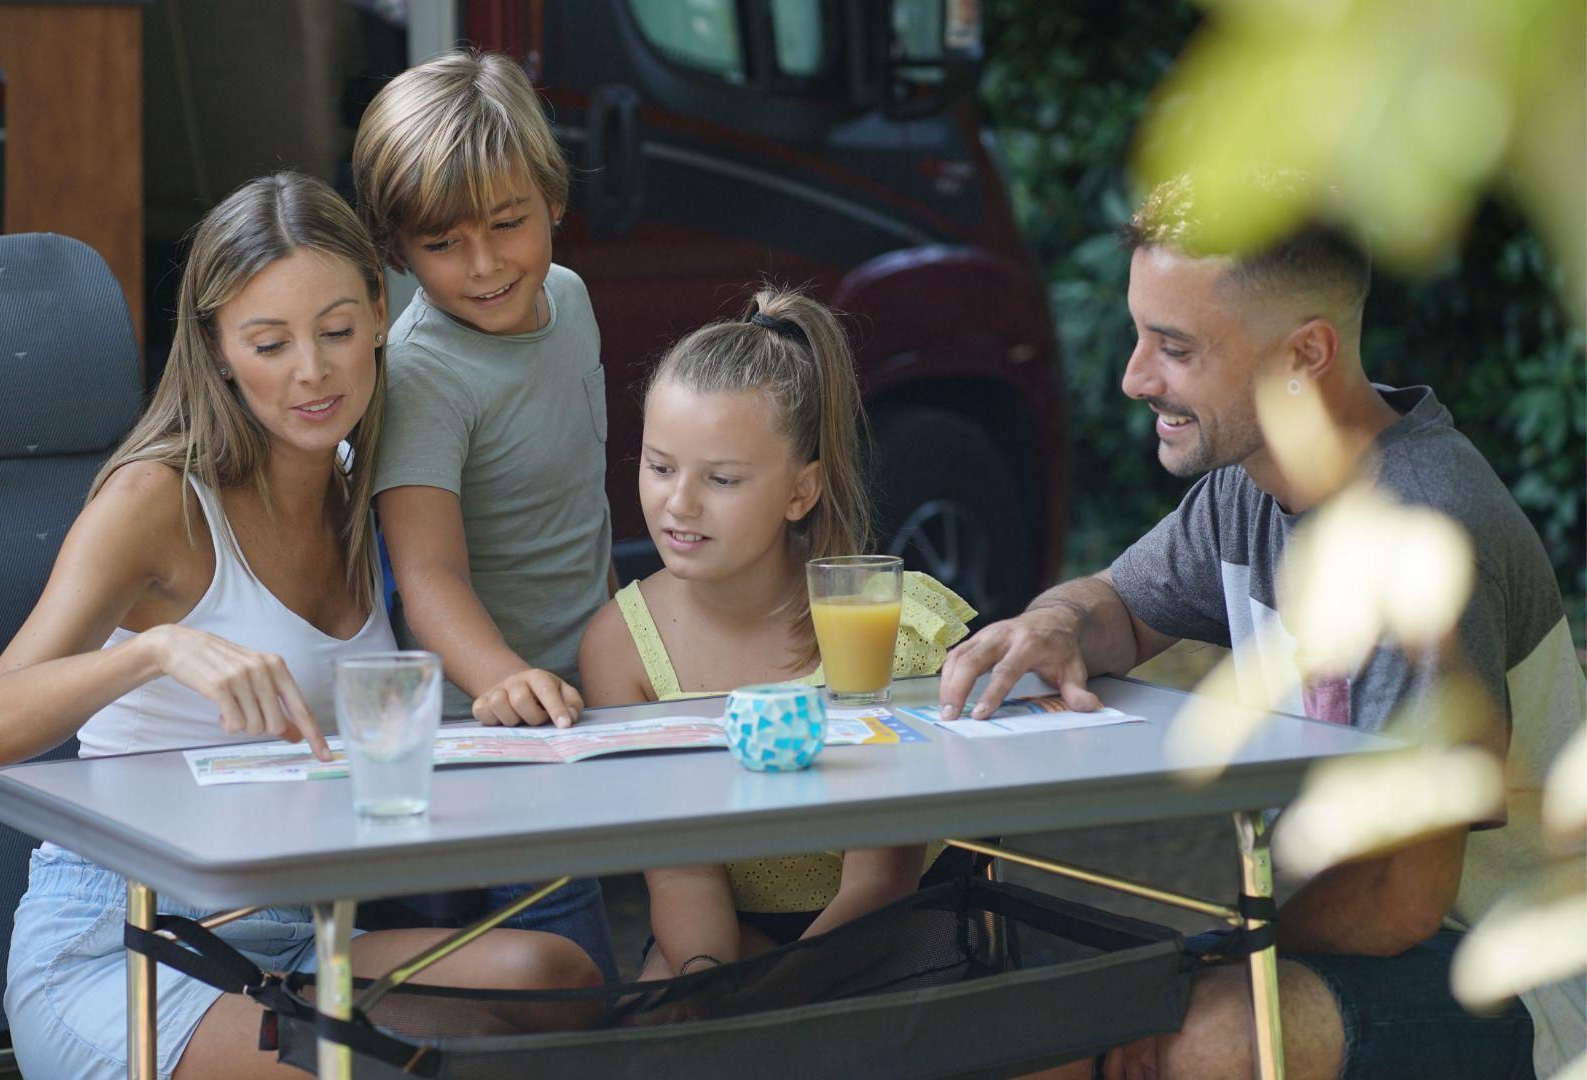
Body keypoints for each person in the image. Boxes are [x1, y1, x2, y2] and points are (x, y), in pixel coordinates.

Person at [0, 172, 602, 1080]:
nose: (313, 370)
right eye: (269, 342)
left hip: (297, 940)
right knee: (403, 1070)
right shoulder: (156, 499)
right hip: (126, 945)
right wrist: (156, 648)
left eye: (338, 331)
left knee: (557, 978)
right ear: (218, 349)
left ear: (382, 312)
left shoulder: (354, 485)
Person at [942, 172, 1585, 1079]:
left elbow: (1401, 898)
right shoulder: (1254, 488)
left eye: (1174, 347)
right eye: (1141, 336)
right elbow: (1119, 609)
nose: (1133, 379)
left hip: (1518, 968)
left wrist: (1210, 956)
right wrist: (1053, 621)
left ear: (1303, 355)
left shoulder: (1422, 540)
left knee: (1189, 1042)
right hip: (1384, 941)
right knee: (1059, 1029)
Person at [578, 288, 979, 979]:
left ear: (802, 491)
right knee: (666, 1008)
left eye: (723, 479)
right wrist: (711, 988)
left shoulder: (889, 624)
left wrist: (766, 1010)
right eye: (660, 466)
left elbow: (880, 883)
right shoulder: (621, 645)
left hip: (908, 926)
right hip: (732, 926)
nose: (679, 503)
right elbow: (681, 875)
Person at [351, 48, 619, 979]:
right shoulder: (423, 370)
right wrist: (502, 680)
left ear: (554, 198)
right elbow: (424, 574)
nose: (484, 264)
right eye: (441, 244)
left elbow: (578, 502)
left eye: (507, 223)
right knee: (564, 938)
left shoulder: (572, 300)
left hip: (591, 693)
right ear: (393, 249)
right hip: (492, 720)